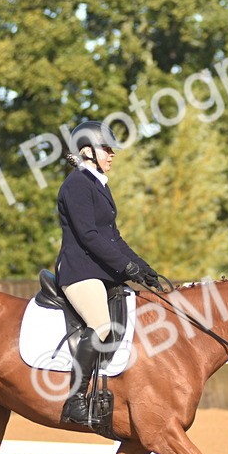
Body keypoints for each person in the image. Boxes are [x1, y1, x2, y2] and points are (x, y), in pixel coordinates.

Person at [55, 120, 166, 426]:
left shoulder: (98, 184)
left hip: (99, 271)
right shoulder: (76, 184)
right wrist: (124, 266)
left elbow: (113, 237)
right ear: (87, 151)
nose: (112, 154)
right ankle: (75, 400)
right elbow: (89, 236)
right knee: (101, 325)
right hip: (79, 271)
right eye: (106, 148)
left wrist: (142, 268)